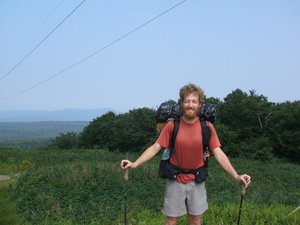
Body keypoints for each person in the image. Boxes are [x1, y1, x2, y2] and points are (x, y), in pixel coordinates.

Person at [120, 83, 251, 225]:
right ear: (181, 103)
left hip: (197, 179)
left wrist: (236, 176)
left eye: (194, 101)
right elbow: (155, 147)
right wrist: (135, 164)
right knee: (171, 221)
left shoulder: (207, 127)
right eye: (187, 101)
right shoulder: (172, 125)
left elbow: (219, 153)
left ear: (200, 104)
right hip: (175, 179)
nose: (190, 105)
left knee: (195, 221)